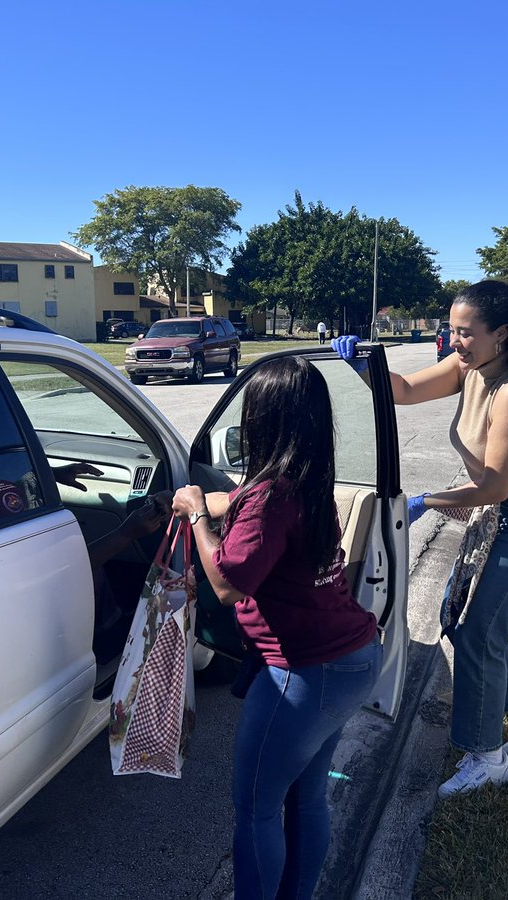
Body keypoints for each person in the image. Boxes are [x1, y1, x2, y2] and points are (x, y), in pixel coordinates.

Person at [337, 279, 508, 796]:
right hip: (503, 513)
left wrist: (425, 502)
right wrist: (364, 367)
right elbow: (403, 392)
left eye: (466, 333)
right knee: (461, 620)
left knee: (479, 632)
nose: (455, 342)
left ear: (502, 333)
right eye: (451, 330)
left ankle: (487, 756)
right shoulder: (468, 369)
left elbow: (495, 482)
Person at [170, 356, 381, 900]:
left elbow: (229, 584)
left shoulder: (268, 498)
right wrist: (212, 502)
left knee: (256, 810)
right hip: (352, 657)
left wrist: (195, 513)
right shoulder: (306, 482)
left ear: (262, 419)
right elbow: (239, 503)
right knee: (306, 798)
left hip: (304, 674)